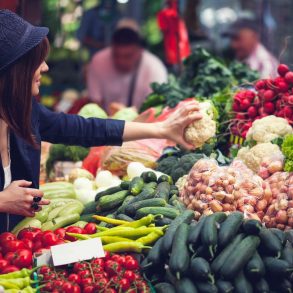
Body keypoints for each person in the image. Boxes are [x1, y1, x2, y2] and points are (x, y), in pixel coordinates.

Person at [0, 10, 201, 233]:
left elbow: (85, 129)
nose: (45, 67)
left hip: (12, 252)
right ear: (13, 72)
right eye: (36, 62)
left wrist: (161, 129)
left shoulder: (25, 112)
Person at [87, 27, 168, 113]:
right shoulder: (98, 61)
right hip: (105, 123)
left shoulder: (155, 69)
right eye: (116, 55)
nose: (121, 61)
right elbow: (95, 103)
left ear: (140, 51)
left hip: (143, 124)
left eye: (128, 56)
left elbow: (157, 109)